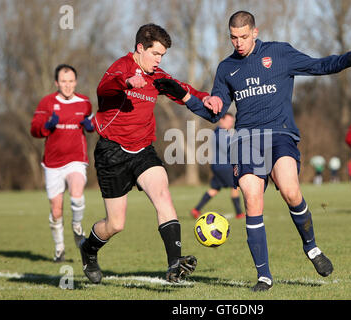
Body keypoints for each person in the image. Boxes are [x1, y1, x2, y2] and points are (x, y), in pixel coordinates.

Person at [156, 11, 351, 291]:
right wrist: (184, 95)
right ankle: (264, 276)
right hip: (247, 140)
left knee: (290, 190)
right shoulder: (226, 68)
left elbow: (322, 66)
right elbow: (215, 113)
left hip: (280, 134)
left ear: (255, 32)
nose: (238, 43)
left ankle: (311, 247)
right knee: (252, 198)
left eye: (243, 37)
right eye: (233, 38)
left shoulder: (279, 53)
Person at [79, 23, 222, 284]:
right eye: (155, 54)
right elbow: (104, 88)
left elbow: (182, 89)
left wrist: (207, 98)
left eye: (162, 56)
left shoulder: (157, 76)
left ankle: (174, 263)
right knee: (115, 224)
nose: (158, 61)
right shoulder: (121, 67)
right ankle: (88, 249)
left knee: (162, 192)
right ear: (140, 48)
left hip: (143, 149)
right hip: (111, 151)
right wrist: (126, 82)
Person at [31, 64, 94, 262]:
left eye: (71, 81)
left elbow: (92, 124)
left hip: (76, 159)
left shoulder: (84, 102)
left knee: (77, 192)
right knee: (56, 209)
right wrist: (47, 126)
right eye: (64, 81)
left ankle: (77, 226)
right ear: (57, 83)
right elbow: (34, 129)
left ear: (76, 82)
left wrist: (91, 125)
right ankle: (59, 250)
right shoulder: (47, 103)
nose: (68, 85)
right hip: (52, 163)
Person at [190, 113, 244, 219]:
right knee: (235, 187)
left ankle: (196, 209)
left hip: (217, 166)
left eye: (232, 122)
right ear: (221, 120)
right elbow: (229, 149)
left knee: (214, 189)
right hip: (224, 166)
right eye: (229, 121)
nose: (231, 124)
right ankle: (239, 213)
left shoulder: (219, 132)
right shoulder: (221, 133)